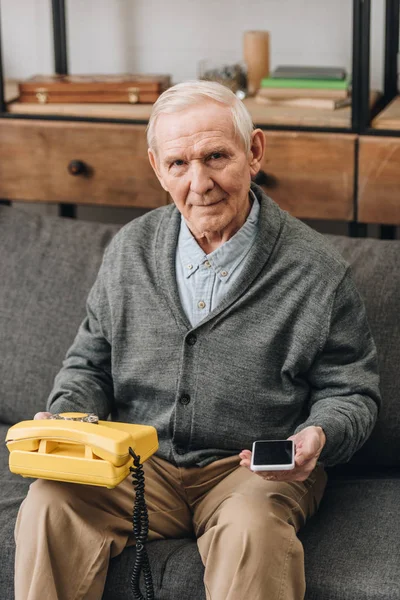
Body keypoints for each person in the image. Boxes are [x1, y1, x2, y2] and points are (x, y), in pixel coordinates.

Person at [14, 80, 381, 600]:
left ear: (254, 152)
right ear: (157, 168)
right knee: (50, 501)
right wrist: (69, 418)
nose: (200, 182)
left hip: (250, 471)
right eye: (179, 164)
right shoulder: (129, 251)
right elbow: (89, 365)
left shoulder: (318, 272)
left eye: (215, 156)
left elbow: (352, 393)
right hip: (138, 468)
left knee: (253, 529)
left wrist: (319, 435)